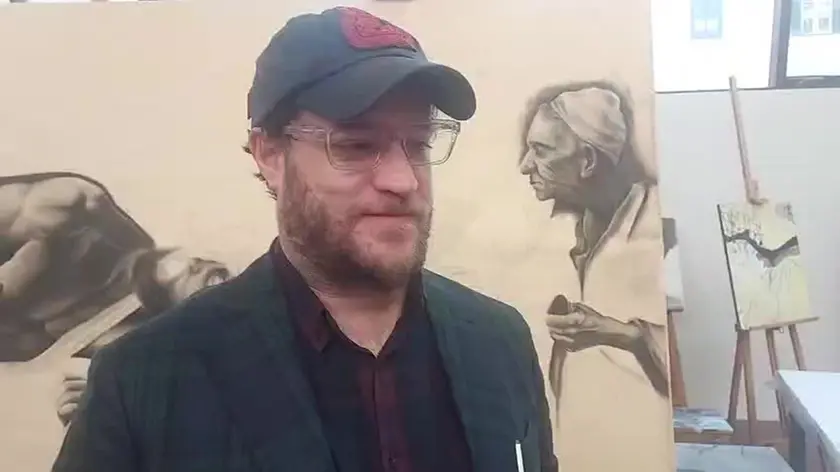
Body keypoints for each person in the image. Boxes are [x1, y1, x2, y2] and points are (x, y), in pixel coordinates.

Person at [53, 7, 557, 472]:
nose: (403, 180)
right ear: (271, 155)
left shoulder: (499, 342)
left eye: (419, 143)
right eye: (356, 145)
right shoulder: (145, 378)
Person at [518, 82, 669, 449]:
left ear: (587, 160)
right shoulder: (573, 227)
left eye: (541, 150)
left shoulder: (655, 227)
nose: (525, 166)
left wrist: (623, 334)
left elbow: (676, 358)